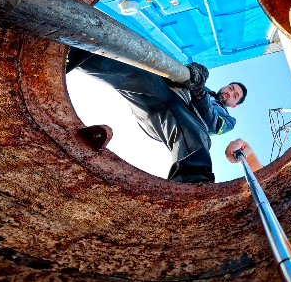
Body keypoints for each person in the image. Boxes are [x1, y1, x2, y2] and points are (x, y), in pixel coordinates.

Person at [66, 48, 247, 184]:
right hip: (162, 94)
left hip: (177, 120)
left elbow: (211, 123)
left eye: (235, 96)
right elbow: (173, 79)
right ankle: (70, 51)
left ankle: (192, 185)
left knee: (198, 137)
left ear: (234, 104)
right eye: (230, 88)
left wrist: (198, 93)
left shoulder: (228, 120)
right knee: (134, 72)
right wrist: (186, 74)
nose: (230, 93)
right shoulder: (205, 87)